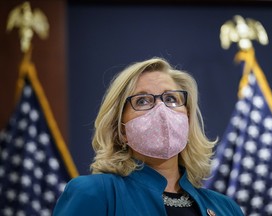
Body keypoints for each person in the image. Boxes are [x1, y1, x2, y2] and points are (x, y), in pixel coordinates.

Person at [53, 57, 244, 216]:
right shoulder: (95, 193)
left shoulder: (226, 208)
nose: (161, 109)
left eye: (171, 98)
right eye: (142, 100)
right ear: (121, 130)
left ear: (187, 119)